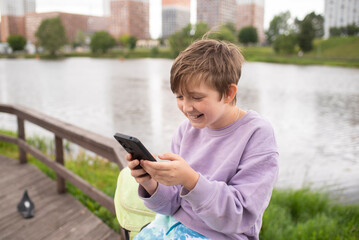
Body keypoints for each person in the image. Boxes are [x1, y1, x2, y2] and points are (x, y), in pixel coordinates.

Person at [126, 39, 279, 240]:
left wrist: (191, 180)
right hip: (172, 228)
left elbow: (238, 216)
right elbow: (171, 205)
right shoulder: (185, 130)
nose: (187, 107)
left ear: (228, 93)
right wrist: (150, 183)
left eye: (197, 98)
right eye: (180, 97)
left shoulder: (257, 134)